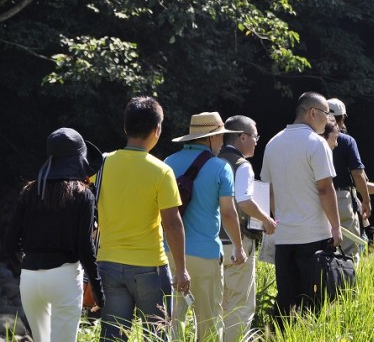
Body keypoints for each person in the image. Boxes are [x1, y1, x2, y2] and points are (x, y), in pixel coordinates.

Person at [96, 96, 190, 342]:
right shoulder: (161, 171)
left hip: (108, 264)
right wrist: (181, 270)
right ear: (157, 130)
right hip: (150, 267)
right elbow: (172, 224)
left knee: (112, 338)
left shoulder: (102, 165)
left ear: (125, 127)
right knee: (156, 337)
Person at [4, 127, 105, 342]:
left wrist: (25, 266)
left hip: (30, 278)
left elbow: (10, 242)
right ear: (79, 159)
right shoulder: (82, 194)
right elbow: (84, 245)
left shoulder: (30, 191)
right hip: (64, 277)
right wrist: (97, 288)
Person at [260, 91, 342, 327]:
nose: (328, 120)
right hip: (314, 236)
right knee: (313, 302)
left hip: (284, 237)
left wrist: (279, 219)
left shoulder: (273, 143)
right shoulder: (316, 144)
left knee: (287, 301)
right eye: (326, 114)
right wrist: (336, 227)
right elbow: (325, 189)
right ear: (312, 112)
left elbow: (270, 190)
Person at [165, 111, 247, 342]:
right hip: (206, 255)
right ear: (211, 138)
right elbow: (229, 213)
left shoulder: (168, 163)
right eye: (220, 136)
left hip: (171, 252)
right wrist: (239, 247)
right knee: (209, 321)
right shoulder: (220, 167)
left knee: (173, 321)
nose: (222, 142)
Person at [219, 115, 277, 342]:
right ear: (242, 137)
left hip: (212, 241)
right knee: (241, 304)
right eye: (254, 136)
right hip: (238, 241)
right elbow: (244, 201)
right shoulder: (242, 165)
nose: (256, 141)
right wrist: (267, 220)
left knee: (219, 303)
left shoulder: (213, 160)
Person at [326, 98, 371, 258]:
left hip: (315, 199)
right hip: (341, 199)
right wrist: (366, 201)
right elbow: (358, 175)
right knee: (349, 251)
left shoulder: (313, 140)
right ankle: (348, 283)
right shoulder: (346, 141)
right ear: (341, 118)